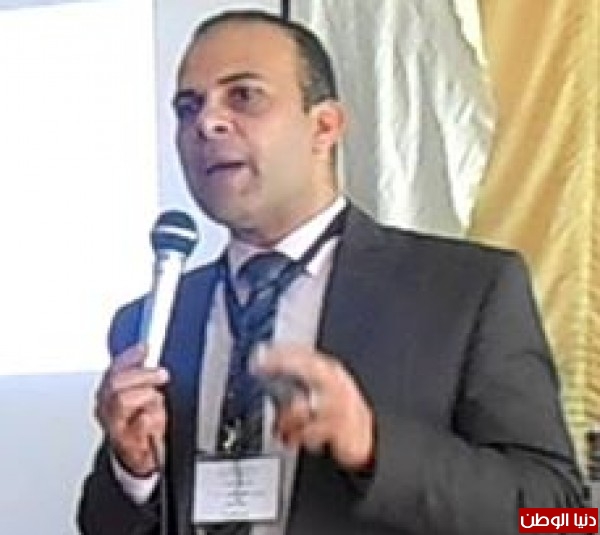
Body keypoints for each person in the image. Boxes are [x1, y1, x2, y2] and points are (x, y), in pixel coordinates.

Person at [78, 9, 584, 535]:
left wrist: (374, 445)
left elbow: (560, 516)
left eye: (244, 96)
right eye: (188, 108)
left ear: (324, 126)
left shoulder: (464, 293)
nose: (207, 123)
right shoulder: (152, 323)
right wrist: (132, 473)